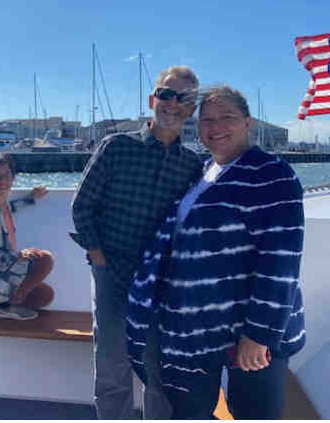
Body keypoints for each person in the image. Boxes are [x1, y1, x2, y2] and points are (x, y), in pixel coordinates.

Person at [127, 85, 306, 419]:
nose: (216, 127)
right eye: (207, 119)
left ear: (248, 123)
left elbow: (280, 262)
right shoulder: (202, 172)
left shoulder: (271, 174)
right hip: (190, 331)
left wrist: (259, 334)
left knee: (255, 414)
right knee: (188, 411)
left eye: (227, 117)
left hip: (247, 331)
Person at [71, 66, 203, 419]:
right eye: (165, 94)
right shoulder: (116, 147)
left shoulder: (192, 165)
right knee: (113, 368)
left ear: (191, 109)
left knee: (158, 370)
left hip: (160, 283)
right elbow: (82, 206)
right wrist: (99, 260)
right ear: (151, 99)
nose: (172, 103)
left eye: (182, 98)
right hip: (112, 273)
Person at [0, 153, 54, 320]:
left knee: (45, 295)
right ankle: (5, 304)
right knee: (44, 259)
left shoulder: (1, 205)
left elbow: (9, 209)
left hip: (1, 273)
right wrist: (16, 256)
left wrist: (31, 198)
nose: (3, 180)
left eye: (7, 174)